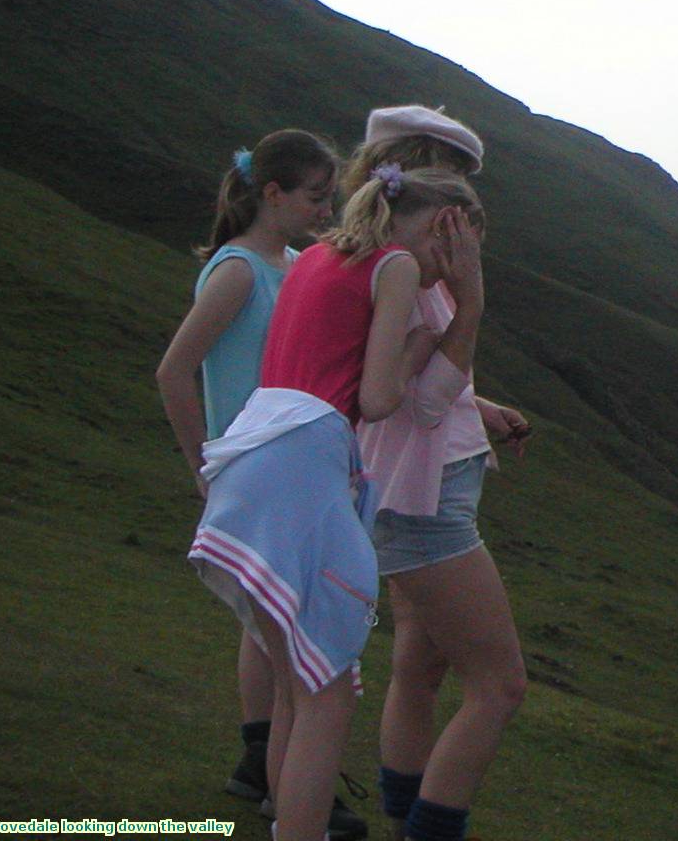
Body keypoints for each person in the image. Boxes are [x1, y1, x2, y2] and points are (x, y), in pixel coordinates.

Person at [187, 163, 485, 841]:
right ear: (446, 227)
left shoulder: (318, 254)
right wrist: (420, 343)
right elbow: (379, 401)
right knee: (328, 689)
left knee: (300, 677)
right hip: (305, 461)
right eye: (461, 249)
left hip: (254, 451)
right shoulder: (396, 268)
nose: (457, 268)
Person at [155, 130, 367, 840]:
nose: (325, 209)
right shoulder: (241, 271)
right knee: (290, 629)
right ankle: (290, 788)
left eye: (329, 196)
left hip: (298, 468)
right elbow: (174, 370)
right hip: (262, 465)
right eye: (313, 196)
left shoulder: (299, 264)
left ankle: (275, 772)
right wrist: (204, 467)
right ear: (271, 193)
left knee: (279, 624)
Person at [344, 106, 529, 841]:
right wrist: (473, 298)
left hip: (410, 486)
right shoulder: (417, 272)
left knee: (418, 674)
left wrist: (474, 404)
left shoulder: (388, 260)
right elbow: (413, 401)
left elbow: (414, 376)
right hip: (425, 500)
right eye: (457, 178)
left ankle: (402, 822)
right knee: (500, 687)